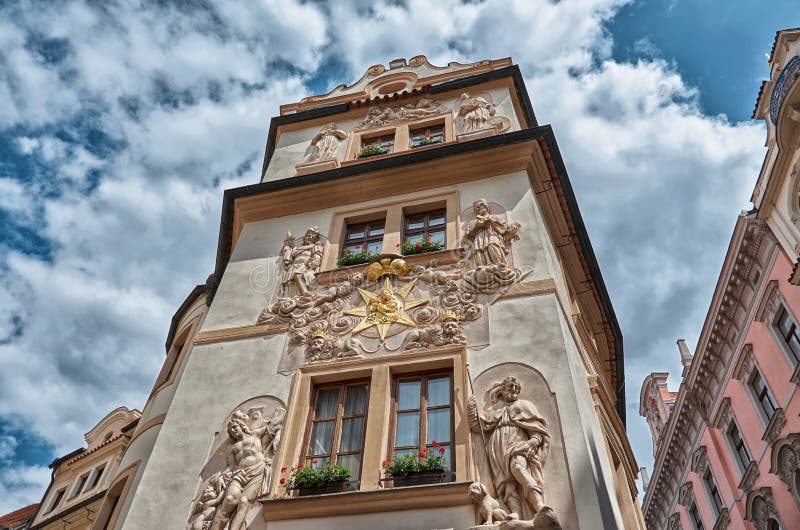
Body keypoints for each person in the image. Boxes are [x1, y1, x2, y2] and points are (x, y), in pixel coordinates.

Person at [468, 376, 550, 519]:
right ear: (503, 389)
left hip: (517, 444)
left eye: (516, 388)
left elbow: (537, 433)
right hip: (497, 449)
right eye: (510, 387)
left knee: (518, 468)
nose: (513, 390)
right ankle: (515, 513)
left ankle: (539, 506)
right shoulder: (495, 409)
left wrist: (530, 443)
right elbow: (478, 427)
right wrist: (471, 409)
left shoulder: (524, 406)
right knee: (506, 484)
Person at [462, 199, 519, 268]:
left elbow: (503, 228)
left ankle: (499, 263)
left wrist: (492, 222)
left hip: (492, 234)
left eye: (482, 207)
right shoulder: (474, 221)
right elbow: (469, 233)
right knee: (478, 250)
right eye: (478, 208)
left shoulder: (494, 217)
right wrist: (478, 225)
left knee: (492, 245)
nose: (480, 209)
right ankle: (483, 266)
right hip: (479, 237)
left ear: (487, 208)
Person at [280, 228, 324, 297]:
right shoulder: (296, 249)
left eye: (312, 237)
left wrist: (312, 263)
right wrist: (288, 247)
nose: (310, 237)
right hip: (294, 268)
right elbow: (289, 259)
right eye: (308, 236)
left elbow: (317, 258)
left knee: (297, 274)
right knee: (296, 274)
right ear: (305, 237)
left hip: (306, 267)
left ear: (315, 240)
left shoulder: (315, 247)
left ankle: (304, 291)